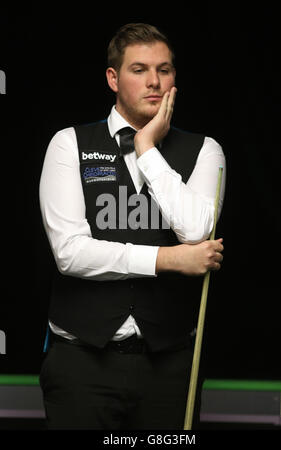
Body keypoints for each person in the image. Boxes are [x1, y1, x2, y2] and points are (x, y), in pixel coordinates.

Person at [39, 23, 226, 430]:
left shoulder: (205, 149)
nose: (154, 82)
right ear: (113, 78)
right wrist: (168, 259)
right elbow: (70, 253)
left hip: (171, 366)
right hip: (81, 363)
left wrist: (146, 148)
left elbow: (195, 232)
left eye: (164, 69)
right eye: (139, 69)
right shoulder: (68, 143)